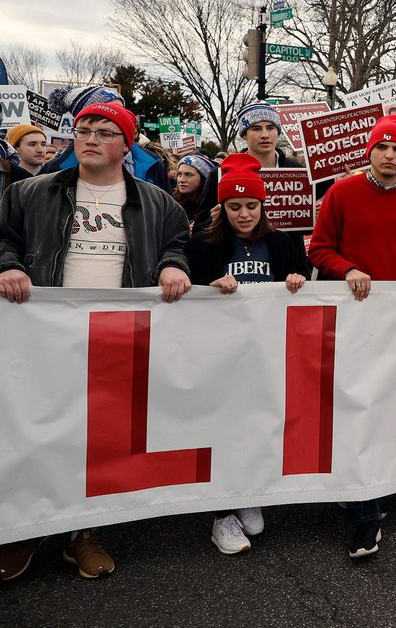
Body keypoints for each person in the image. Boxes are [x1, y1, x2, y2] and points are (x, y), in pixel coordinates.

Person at [0, 101, 191, 582]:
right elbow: (4, 240)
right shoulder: (29, 192)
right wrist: (9, 266)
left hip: (119, 334)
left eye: (105, 132)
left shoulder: (157, 201)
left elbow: (176, 244)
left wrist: (173, 265)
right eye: (84, 129)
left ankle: (84, 532)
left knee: (101, 437)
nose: (90, 138)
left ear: (125, 146)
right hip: (47, 334)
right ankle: (28, 526)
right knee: (40, 428)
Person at [307, 114, 396, 558]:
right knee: (354, 404)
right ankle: (365, 514)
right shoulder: (341, 194)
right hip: (351, 319)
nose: (389, 155)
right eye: (382, 147)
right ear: (370, 151)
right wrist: (347, 269)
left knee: (389, 405)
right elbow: (319, 247)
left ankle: (372, 489)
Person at [183, 153, 309, 555]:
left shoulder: (282, 242)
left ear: (262, 205)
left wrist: (297, 278)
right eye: (235, 206)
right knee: (223, 427)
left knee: (259, 423)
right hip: (219, 354)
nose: (244, 214)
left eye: (251, 206)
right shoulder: (202, 243)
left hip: (266, 352)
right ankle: (222, 516)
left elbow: (304, 277)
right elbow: (181, 284)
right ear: (222, 207)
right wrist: (206, 284)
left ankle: (248, 493)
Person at [41, 86, 171, 191]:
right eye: (110, 110)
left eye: (121, 110)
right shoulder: (55, 170)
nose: (121, 115)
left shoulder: (152, 164)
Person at [234, 102, 304, 169]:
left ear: (278, 132)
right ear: (244, 135)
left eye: (270, 128)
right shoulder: (229, 172)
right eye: (256, 129)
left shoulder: (298, 170)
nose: (265, 135)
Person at [173, 153, 220, 232]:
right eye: (179, 174)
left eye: (189, 175)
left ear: (203, 178)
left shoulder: (214, 207)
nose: (181, 180)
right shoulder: (172, 203)